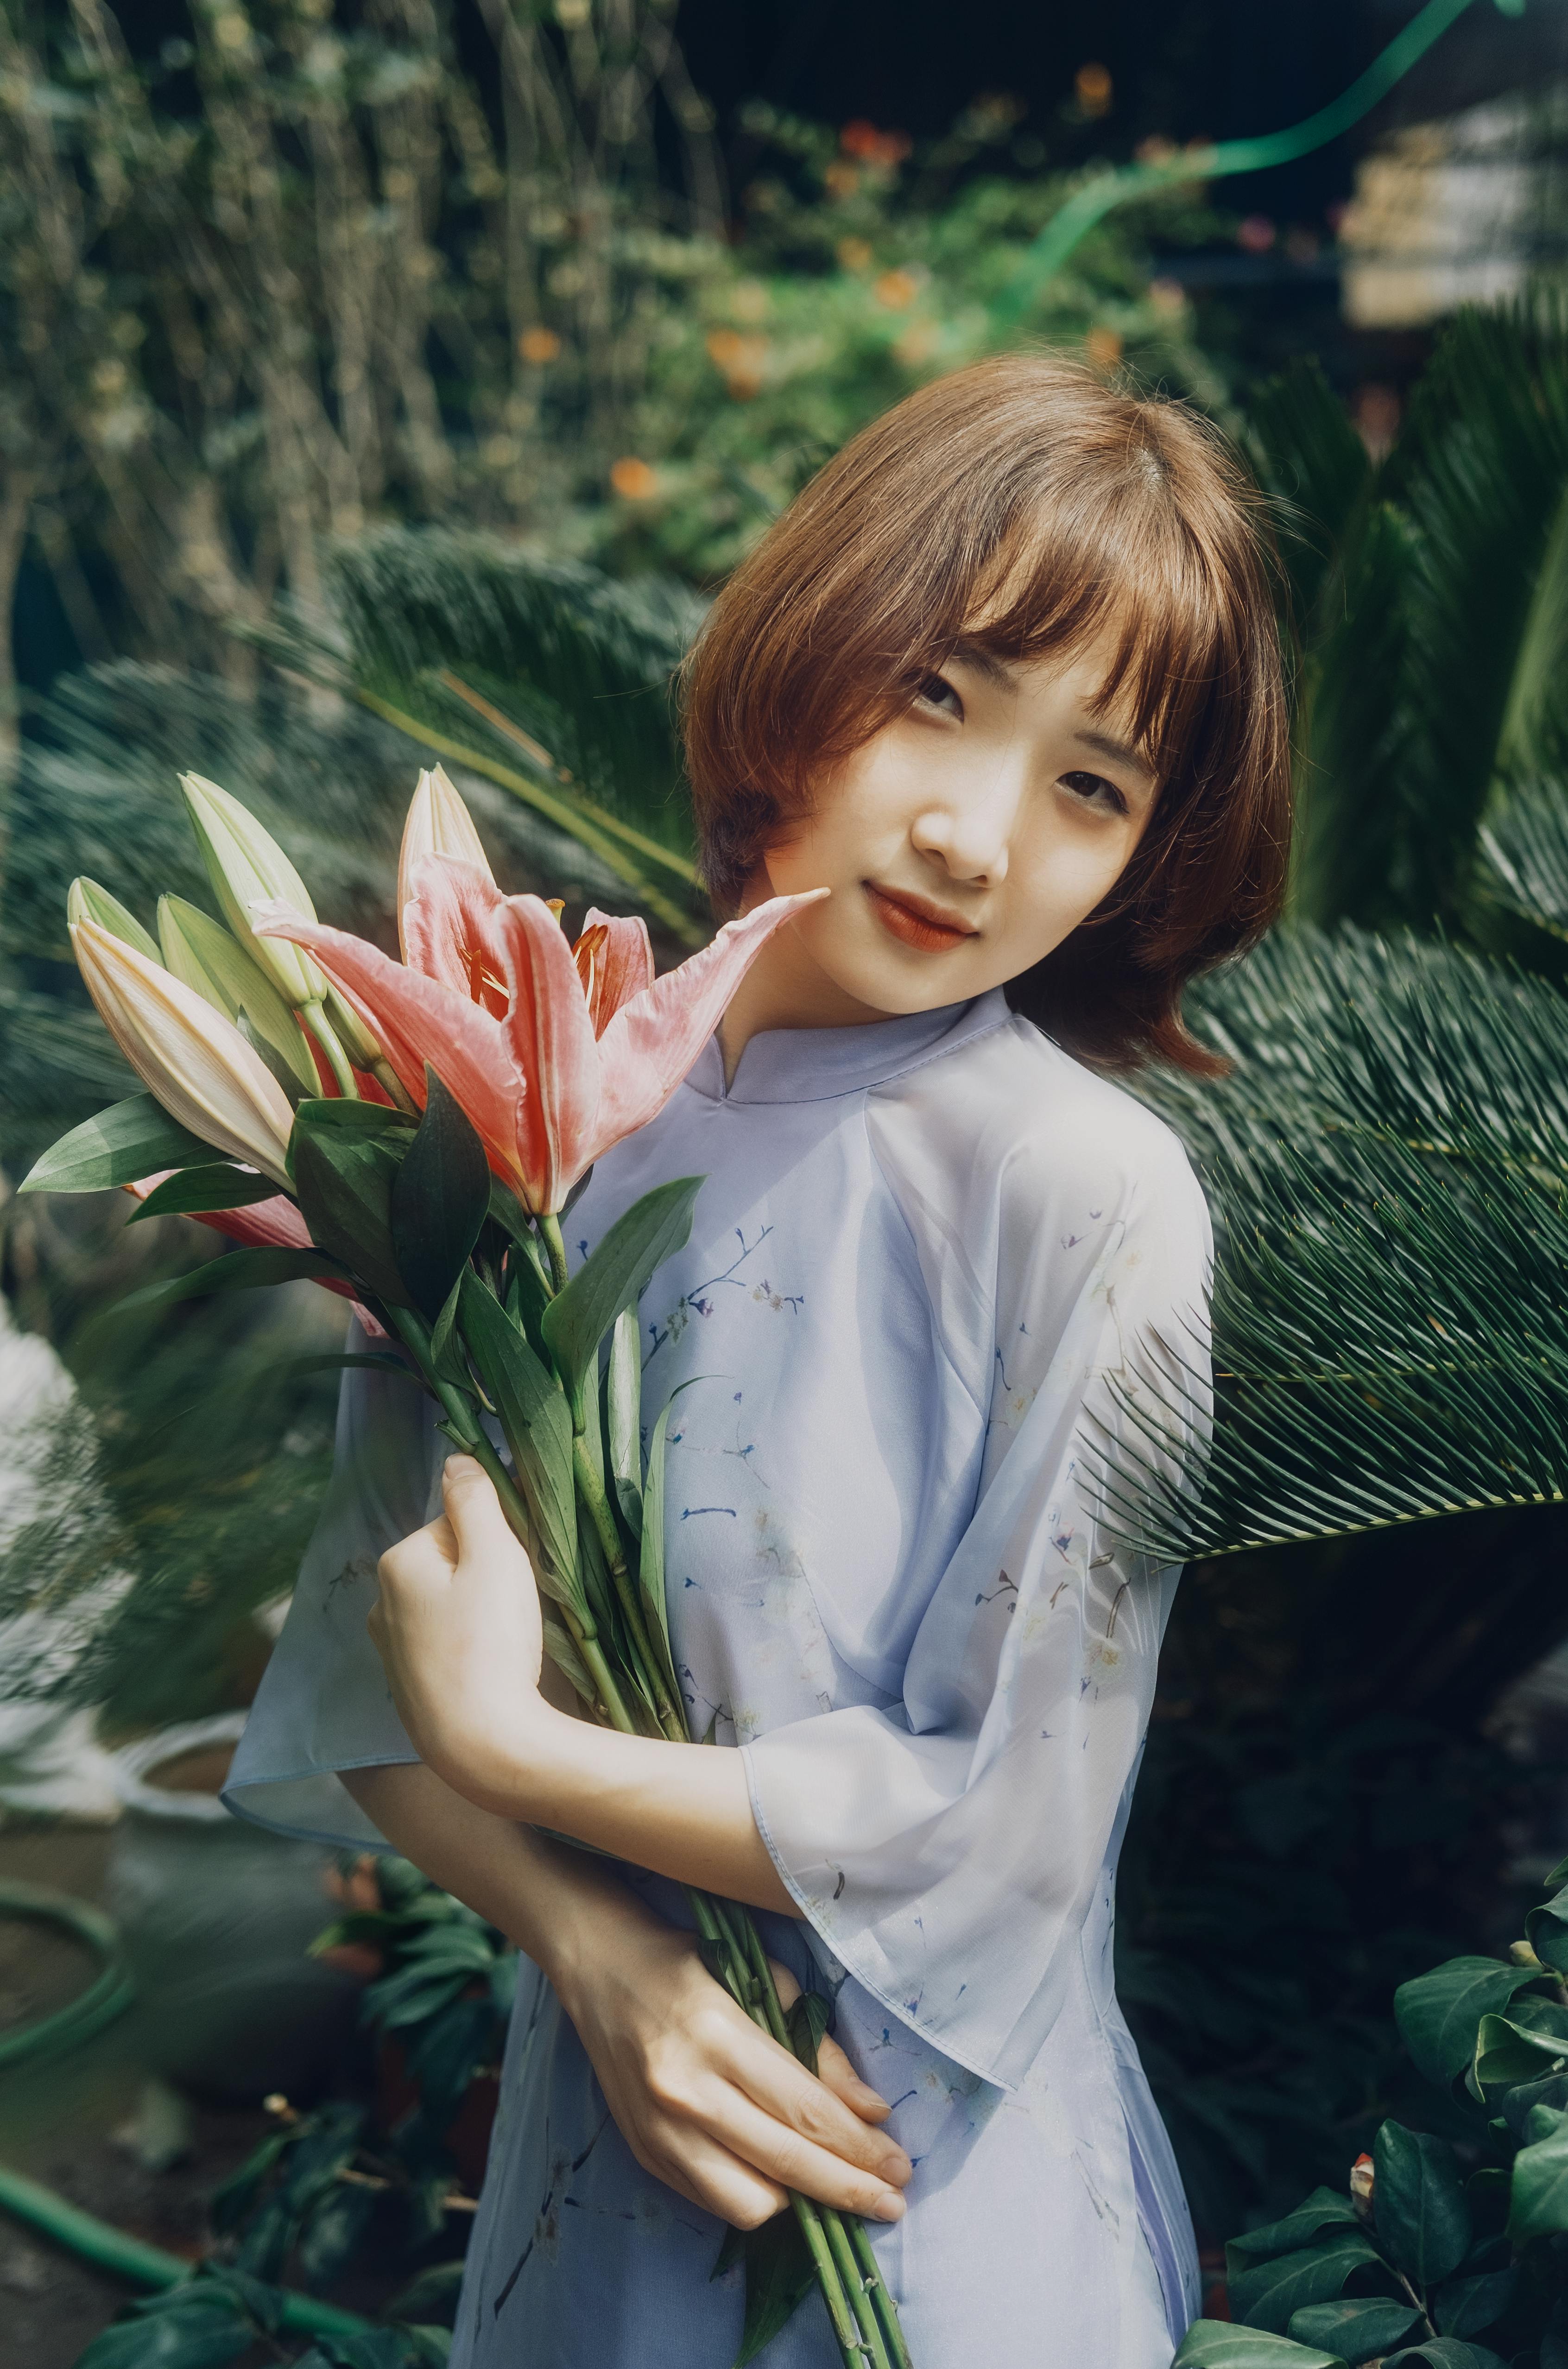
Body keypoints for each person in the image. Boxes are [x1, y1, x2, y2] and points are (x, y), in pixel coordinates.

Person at [225, 352, 1290, 2367]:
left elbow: (1014, 1821)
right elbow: (376, 1670)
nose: (978, 837)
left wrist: (527, 1759)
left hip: (926, 2197)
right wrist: (600, 1951)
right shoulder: (534, 1115)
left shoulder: (1089, 1195)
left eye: (1095, 782)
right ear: (812, 650)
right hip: (603, 2165)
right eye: (944, 694)